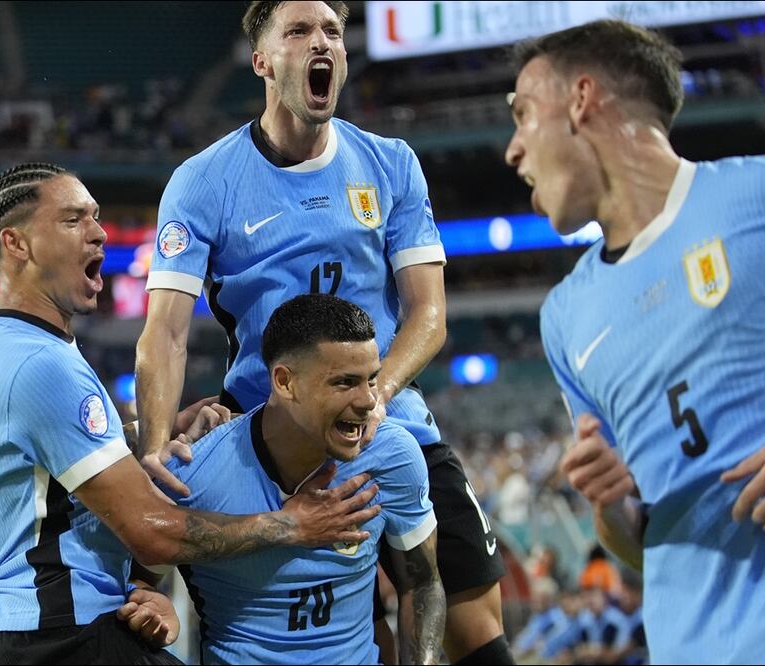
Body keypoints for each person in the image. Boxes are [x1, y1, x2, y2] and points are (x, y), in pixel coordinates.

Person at [135, 2, 513, 663]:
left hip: (396, 428)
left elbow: (428, 314)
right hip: (273, 451)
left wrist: (373, 399)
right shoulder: (202, 182)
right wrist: (158, 449)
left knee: (476, 634)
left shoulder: (390, 164)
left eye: (333, 32)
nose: (322, 44)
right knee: (339, 638)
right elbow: (163, 334)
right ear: (261, 62)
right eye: (300, 32)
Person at [0, 162, 383, 664]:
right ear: (16, 244)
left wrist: (148, 432)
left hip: (27, 630)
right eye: (73, 221)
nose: (98, 233)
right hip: (65, 633)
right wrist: (289, 525)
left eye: (96, 217)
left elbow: (43, 466)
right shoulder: (42, 365)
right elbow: (153, 533)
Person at [505, 18, 765, 663]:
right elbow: (636, 542)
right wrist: (613, 504)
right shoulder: (566, 317)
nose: (512, 151)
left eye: (522, 115)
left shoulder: (760, 195)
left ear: (581, 100)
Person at [160, 294, 444, 664]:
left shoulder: (393, 456)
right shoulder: (195, 473)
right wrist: (151, 600)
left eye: (371, 380)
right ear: (284, 382)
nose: (368, 402)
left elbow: (422, 584)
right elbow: (139, 578)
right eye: (345, 383)